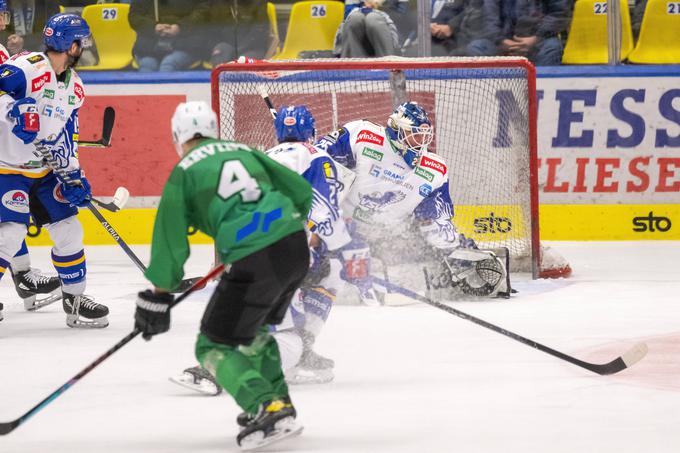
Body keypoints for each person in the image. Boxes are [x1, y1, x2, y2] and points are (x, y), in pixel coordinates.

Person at [133, 101, 312, 449]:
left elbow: (169, 241)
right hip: (294, 248)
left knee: (213, 343)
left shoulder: (184, 170)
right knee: (253, 331)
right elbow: (300, 192)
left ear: (178, 136)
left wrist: (158, 295)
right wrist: (279, 230)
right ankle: (280, 404)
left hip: (255, 256)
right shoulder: (244, 150)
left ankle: (265, 405)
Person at [170, 105, 352, 392]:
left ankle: (224, 361)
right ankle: (237, 365)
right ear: (311, 131)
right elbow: (324, 213)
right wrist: (326, 249)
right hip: (284, 250)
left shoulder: (261, 157)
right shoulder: (318, 157)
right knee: (327, 279)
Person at [314, 101, 510, 304]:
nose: (420, 143)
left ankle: (442, 277)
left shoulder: (435, 170)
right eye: (415, 135)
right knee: (320, 269)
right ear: (396, 129)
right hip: (344, 228)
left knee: (426, 252)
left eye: (424, 137)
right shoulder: (362, 135)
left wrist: (454, 248)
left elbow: (436, 219)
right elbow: (317, 159)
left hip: (389, 237)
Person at [0, 13, 109, 328]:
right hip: (8, 168)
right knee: (10, 234)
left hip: (45, 170)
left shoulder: (74, 87)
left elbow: (66, 137)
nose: (83, 48)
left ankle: (75, 301)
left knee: (70, 231)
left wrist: (74, 175)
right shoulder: (27, 66)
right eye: (81, 42)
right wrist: (13, 111)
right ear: (71, 44)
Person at [482, 0, 571, 66]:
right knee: (477, 47)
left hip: (539, 40)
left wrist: (536, 38)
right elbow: (488, 18)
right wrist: (501, 41)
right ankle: (491, 88)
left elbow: (559, 14)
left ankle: (539, 88)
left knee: (552, 47)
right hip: (502, 42)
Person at [128, 0, 203, 72]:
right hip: (149, 45)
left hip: (185, 44)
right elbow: (134, 16)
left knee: (168, 65)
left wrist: (180, 27)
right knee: (147, 65)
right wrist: (153, 27)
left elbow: (203, 12)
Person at [430, 0, 497, 57]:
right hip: (428, 37)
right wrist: (426, 25)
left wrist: (451, 27)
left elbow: (476, 8)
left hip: (458, 38)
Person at [336, 0, 400, 57]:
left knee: (373, 18)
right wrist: (365, 9)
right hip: (358, 24)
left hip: (384, 25)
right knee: (355, 19)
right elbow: (347, 13)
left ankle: (388, 64)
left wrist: (380, 4)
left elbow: (399, 9)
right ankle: (351, 65)